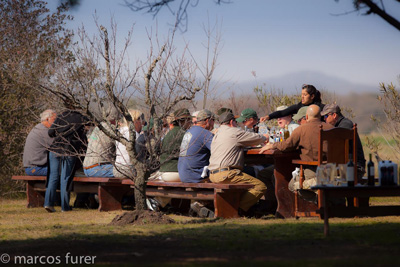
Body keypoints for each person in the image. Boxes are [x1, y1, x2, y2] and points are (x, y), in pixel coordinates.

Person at [260, 105, 333, 200]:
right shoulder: (332, 128)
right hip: (334, 169)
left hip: (313, 170)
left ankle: (319, 199)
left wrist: (272, 145)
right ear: (320, 115)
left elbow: (286, 145)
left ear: (306, 117)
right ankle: (327, 199)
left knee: (291, 185)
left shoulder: (301, 129)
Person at [208, 111, 268, 215]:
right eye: (236, 122)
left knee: (246, 178)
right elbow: (257, 138)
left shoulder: (217, 133)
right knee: (260, 186)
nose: (237, 124)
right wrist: (265, 137)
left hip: (213, 175)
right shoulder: (234, 132)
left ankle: (244, 209)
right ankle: (237, 210)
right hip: (226, 175)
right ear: (231, 122)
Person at [44, 109, 89, 212]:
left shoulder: (61, 116)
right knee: (66, 178)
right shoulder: (81, 118)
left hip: (55, 148)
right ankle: (65, 207)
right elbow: (92, 123)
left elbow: (50, 132)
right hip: (70, 150)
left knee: (53, 177)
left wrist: (61, 133)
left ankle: (48, 203)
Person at [321, 104, 366, 181]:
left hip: (355, 167)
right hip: (346, 166)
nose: (324, 120)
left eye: (325, 117)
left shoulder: (345, 125)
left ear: (334, 115)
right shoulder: (339, 125)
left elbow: (336, 147)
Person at [178, 109, 215, 183]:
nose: (214, 123)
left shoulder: (189, 132)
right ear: (207, 121)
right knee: (223, 174)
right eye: (213, 120)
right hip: (196, 175)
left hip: (183, 175)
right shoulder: (205, 133)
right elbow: (219, 151)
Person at [83, 108, 118, 178]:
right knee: (125, 171)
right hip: (98, 168)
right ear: (115, 119)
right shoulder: (111, 130)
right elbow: (121, 147)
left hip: (86, 168)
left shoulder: (97, 128)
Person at [260, 84, 324, 122]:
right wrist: (268, 117)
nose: (302, 97)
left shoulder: (320, 107)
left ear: (312, 96)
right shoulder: (299, 106)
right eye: (301, 94)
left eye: (305, 95)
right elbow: (282, 112)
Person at [113, 109, 146, 178]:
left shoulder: (119, 131)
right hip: (128, 170)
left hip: (117, 169)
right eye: (140, 120)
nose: (141, 122)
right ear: (135, 120)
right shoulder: (134, 134)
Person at [23, 109, 57, 176]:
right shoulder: (44, 131)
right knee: (64, 172)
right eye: (54, 120)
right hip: (36, 168)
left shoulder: (38, 128)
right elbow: (59, 146)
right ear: (47, 119)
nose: (56, 123)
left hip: (32, 167)